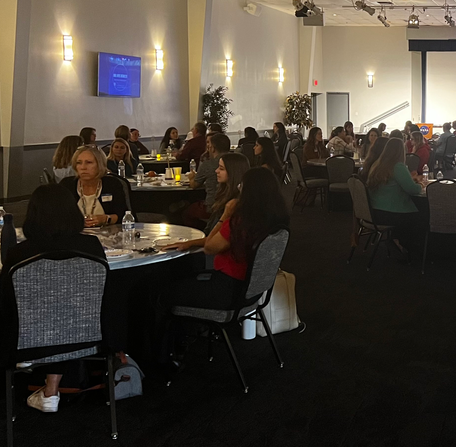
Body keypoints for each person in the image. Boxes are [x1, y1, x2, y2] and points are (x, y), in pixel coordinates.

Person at [159, 167, 290, 365]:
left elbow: (211, 248)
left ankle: (166, 355)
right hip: (251, 293)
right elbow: (224, 241)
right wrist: (191, 243)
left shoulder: (240, 220)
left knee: (162, 293)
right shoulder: (272, 219)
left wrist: (226, 215)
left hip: (227, 292)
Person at [0, 184, 109, 413]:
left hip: (25, 341)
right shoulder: (92, 247)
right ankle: (51, 388)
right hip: (87, 337)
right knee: (62, 316)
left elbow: (6, 302)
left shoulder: (20, 254)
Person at [367, 138, 424, 254]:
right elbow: (412, 190)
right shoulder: (398, 167)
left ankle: (396, 239)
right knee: (422, 215)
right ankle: (407, 246)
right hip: (391, 213)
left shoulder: (377, 165)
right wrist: (421, 185)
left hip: (374, 212)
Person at [61, 146, 129, 227]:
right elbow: (57, 216)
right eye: (79, 163)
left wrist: (106, 219)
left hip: (108, 235)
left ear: (99, 164)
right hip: (75, 235)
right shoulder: (67, 185)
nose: (83, 167)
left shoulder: (112, 184)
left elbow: (125, 216)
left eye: (89, 162)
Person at [189, 133, 231, 215]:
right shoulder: (238, 162)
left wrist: (191, 177)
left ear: (213, 149)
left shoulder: (208, 164)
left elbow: (194, 185)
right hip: (233, 207)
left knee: (187, 212)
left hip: (212, 206)